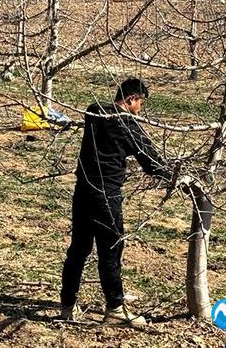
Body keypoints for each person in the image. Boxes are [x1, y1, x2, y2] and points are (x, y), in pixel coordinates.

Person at [59, 78, 175, 326]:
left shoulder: (94, 111)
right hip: (107, 197)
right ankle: (115, 309)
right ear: (132, 98)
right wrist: (176, 176)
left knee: (78, 249)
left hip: (83, 192)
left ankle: (67, 305)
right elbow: (152, 164)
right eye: (140, 103)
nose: (140, 110)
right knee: (110, 252)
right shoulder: (128, 126)